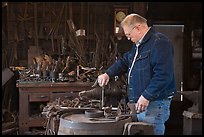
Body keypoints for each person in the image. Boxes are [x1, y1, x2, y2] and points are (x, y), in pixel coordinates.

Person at [97, 13, 176, 135]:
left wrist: (147, 96)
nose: (128, 38)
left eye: (129, 34)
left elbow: (164, 75)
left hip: (154, 104)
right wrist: (108, 74)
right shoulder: (138, 46)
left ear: (138, 28)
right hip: (142, 104)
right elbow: (124, 61)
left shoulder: (159, 42)